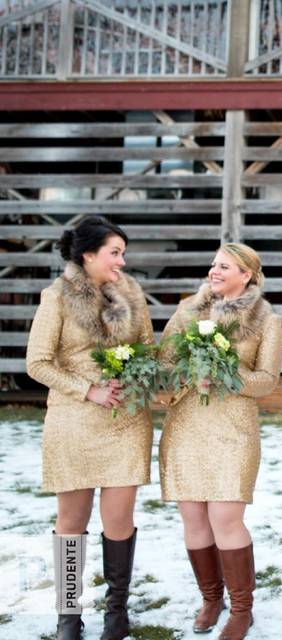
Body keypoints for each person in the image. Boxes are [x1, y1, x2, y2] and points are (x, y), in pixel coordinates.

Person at [26, 216, 153, 640]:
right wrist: (89, 390)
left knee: (119, 520)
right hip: (74, 421)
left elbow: (148, 351)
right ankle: (68, 614)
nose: (122, 260)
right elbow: (38, 363)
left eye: (123, 252)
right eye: (114, 252)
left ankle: (116, 611)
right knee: (71, 521)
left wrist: (139, 377)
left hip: (125, 421)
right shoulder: (56, 297)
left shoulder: (134, 296)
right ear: (88, 255)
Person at [159, 243, 282, 639]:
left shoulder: (266, 319)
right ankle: (211, 599)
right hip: (187, 424)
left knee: (226, 518)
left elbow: (267, 379)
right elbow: (164, 363)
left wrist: (228, 375)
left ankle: (242, 609)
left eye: (224, 266)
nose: (214, 271)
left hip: (233, 427)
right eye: (213, 263)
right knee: (194, 517)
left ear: (246, 274)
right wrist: (185, 374)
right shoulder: (187, 311)